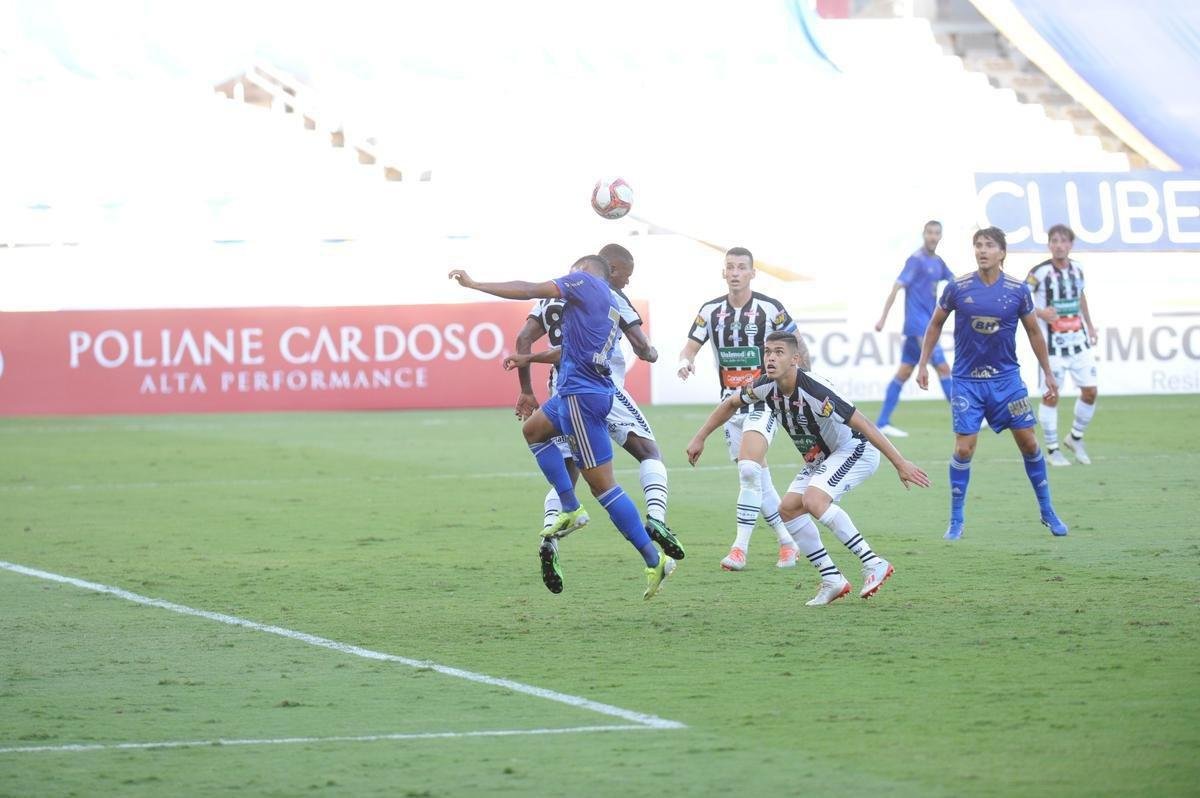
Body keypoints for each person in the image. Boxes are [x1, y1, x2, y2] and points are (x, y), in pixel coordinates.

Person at [450, 256, 679, 599]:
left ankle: (652, 558)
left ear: (585, 271)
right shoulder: (606, 305)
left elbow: (528, 290)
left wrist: (475, 285)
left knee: (604, 488)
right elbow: (566, 352)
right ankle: (570, 507)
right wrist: (527, 360)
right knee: (533, 431)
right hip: (581, 392)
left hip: (581, 399)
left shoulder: (583, 283)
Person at [686, 332, 930, 605]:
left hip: (854, 450)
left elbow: (864, 423)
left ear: (795, 359)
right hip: (821, 458)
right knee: (788, 509)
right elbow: (731, 403)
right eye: (767, 352)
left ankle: (873, 562)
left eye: (779, 352)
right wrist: (700, 436)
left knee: (814, 499)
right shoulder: (765, 386)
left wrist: (900, 463)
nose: (770, 357)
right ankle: (832, 579)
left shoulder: (815, 390)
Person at [506, 244, 681, 554]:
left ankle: (550, 539)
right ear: (611, 270)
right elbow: (642, 347)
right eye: (625, 276)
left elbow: (523, 339)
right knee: (647, 452)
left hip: (559, 391)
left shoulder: (551, 296)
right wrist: (651, 353)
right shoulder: (610, 296)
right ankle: (656, 520)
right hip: (600, 388)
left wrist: (526, 390)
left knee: (567, 468)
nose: (626, 282)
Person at [916, 226, 1069, 540]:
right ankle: (956, 520)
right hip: (967, 382)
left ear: (1001, 252)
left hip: (1007, 381)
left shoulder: (1017, 290)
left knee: (1029, 443)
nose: (982, 250)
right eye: (977, 245)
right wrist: (923, 365)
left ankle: (1047, 510)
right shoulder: (957, 287)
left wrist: (1048, 372)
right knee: (963, 449)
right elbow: (934, 325)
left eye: (988, 245)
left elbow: (1035, 332)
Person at [677, 246, 802, 571]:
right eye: (730, 267)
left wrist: (804, 386)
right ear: (723, 272)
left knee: (748, 471)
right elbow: (691, 346)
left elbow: (797, 345)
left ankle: (739, 549)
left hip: (764, 400)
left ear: (751, 272)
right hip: (730, 405)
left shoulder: (770, 309)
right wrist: (685, 361)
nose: (734, 272)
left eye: (741, 267)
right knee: (758, 476)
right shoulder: (710, 311)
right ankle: (788, 542)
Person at [873, 220, 956, 437]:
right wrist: (883, 318)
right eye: (929, 232)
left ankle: (881, 422)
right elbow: (897, 287)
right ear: (923, 234)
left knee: (904, 372)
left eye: (936, 233)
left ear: (940, 236)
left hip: (927, 325)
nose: (932, 237)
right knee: (943, 368)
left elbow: (954, 282)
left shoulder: (938, 262)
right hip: (918, 326)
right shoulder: (916, 260)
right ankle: (963, 415)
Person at [1025, 224, 1098, 466]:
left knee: (1090, 391)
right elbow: (1020, 297)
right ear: (1049, 244)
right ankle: (1053, 449)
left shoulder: (1078, 269)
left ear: (1070, 244)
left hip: (1079, 342)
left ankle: (1075, 437)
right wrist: (1040, 312)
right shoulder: (1039, 272)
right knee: (1051, 395)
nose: (1059, 245)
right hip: (1052, 346)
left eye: (1063, 240)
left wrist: (1090, 324)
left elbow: (1081, 297)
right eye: (1054, 240)